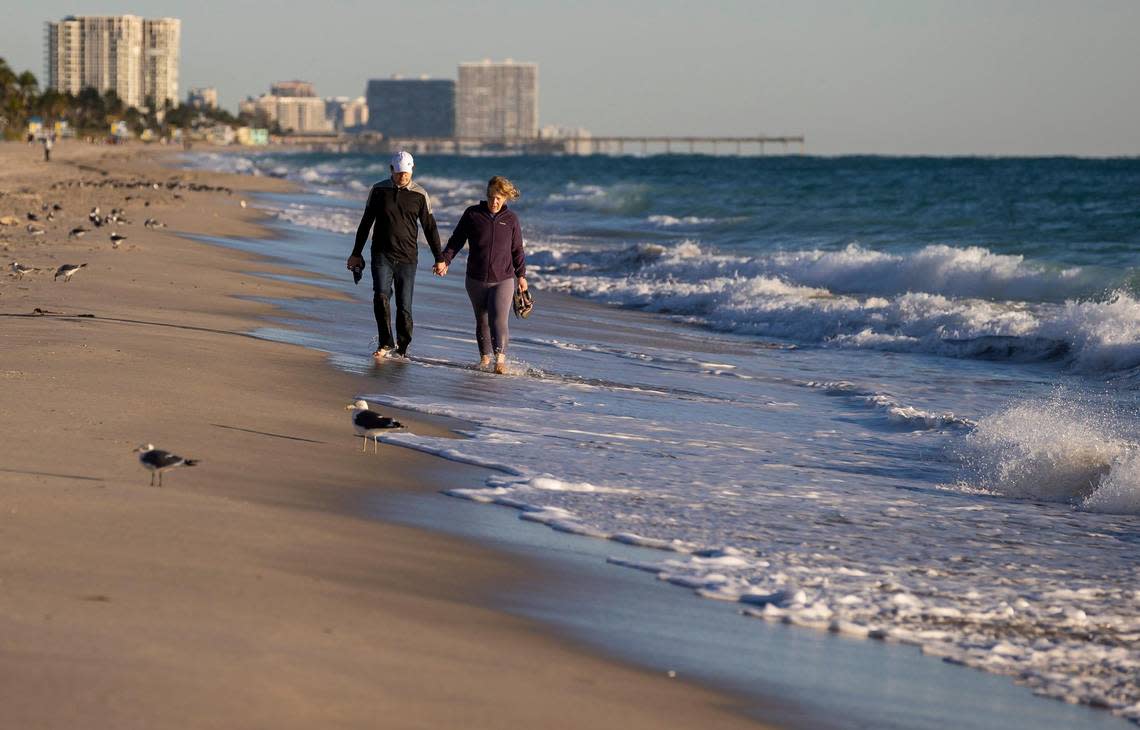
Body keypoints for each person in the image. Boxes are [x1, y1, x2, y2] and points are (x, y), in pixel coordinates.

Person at [346, 151, 444, 359]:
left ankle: (403, 346)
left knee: (404, 306)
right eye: (399, 173)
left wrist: (440, 258)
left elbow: (430, 228)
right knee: (381, 296)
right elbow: (366, 223)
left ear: (412, 170)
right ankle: (385, 342)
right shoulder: (379, 190)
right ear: (391, 170)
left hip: (408, 258)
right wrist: (356, 253)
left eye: (406, 174)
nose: (403, 177)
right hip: (381, 254)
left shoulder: (420, 195)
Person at [434, 176, 527, 374]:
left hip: (503, 279)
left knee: (498, 318)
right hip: (475, 278)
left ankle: (499, 361)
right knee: (482, 320)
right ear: (487, 195)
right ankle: (485, 360)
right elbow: (457, 239)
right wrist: (445, 260)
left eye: (499, 198)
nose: (495, 201)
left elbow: (517, 249)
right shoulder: (472, 214)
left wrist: (521, 276)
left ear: (505, 199)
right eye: (492, 197)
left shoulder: (511, 220)